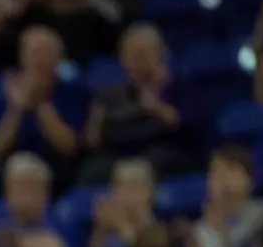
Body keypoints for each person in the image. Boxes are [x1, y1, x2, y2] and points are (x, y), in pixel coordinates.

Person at [78, 23, 196, 186]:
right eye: (130, 55)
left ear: (160, 54)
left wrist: (156, 108)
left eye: (142, 54)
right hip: (119, 155)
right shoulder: (109, 93)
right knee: (93, 171)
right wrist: (96, 120)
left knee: (151, 165)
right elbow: (92, 143)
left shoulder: (177, 85)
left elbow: (190, 128)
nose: (137, 61)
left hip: (160, 150)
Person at [0, 25, 86, 171]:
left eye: (48, 53)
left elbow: (69, 148)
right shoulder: (2, 93)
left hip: (60, 168)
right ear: (22, 57)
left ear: (59, 58)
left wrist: (41, 103)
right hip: (14, 169)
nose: (41, 60)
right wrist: (16, 109)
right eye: (35, 53)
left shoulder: (73, 91)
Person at [186, 148, 263, 247]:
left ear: (250, 180)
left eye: (232, 172)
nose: (225, 182)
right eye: (217, 175)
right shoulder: (197, 232)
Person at [87, 158, 159, 247]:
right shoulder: (107, 225)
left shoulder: (157, 227)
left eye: (135, 187)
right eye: (121, 187)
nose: (128, 195)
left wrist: (123, 227)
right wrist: (100, 231)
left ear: (150, 191)